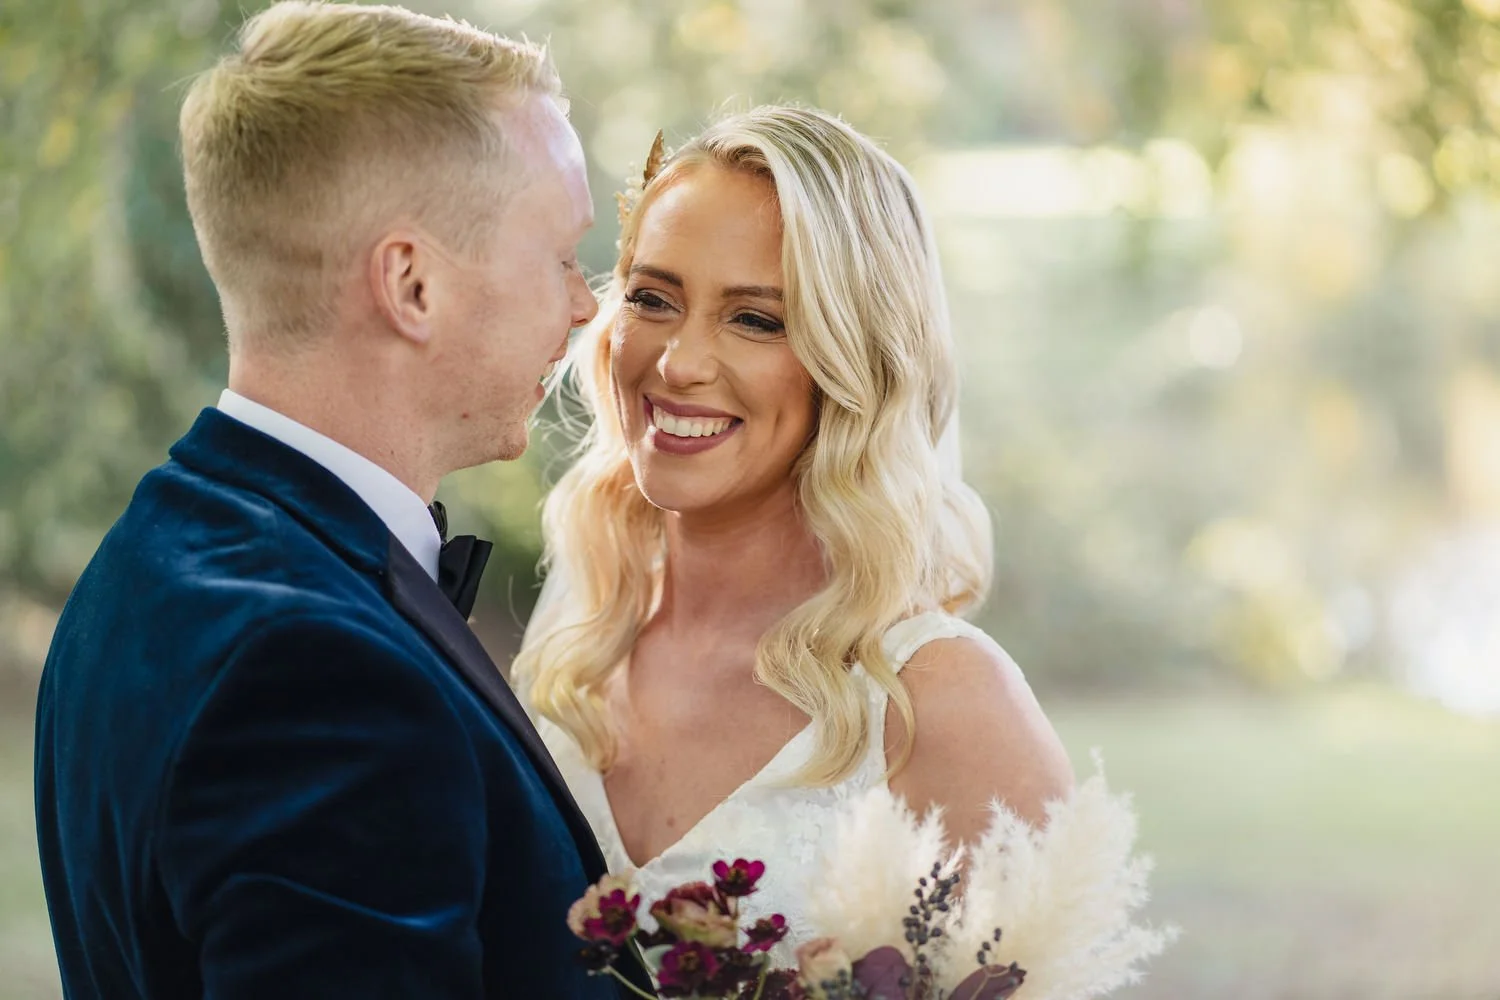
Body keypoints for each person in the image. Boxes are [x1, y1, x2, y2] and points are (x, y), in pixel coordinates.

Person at [33, 3, 650, 997]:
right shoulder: (315, 676)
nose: (585, 305)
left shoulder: (149, 551)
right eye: (560, 257)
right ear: (411, 285)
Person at [514, 106, 1076, 968]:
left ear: (856, 362)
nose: (677, 364)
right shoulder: (576, 639)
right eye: (653, 299)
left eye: (756, 320)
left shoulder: (943, 705)